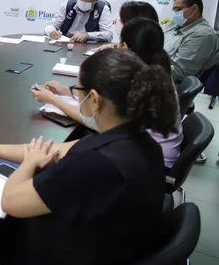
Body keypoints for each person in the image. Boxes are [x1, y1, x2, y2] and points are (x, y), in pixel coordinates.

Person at [0, 49, 175, 265]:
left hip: (63, 261)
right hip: (108, 246)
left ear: (94, 100)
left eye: (77, 91)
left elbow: (11, 201)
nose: (76, 96)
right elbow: (54, 149)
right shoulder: (137, 140)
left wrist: (30, 164)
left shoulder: (96, 166)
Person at [31, 18, 182, 168]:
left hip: (147, 162)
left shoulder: (138, 81)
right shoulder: (156, 70)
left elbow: (97, 122)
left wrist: (53, 100)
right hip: (149, 152)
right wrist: (67, 92)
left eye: (119, 45)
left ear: (125, 47)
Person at [163, 0, 219, 84]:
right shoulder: (174, 24)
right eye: (174, 10)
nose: (175, 14)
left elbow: (180, 72)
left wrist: (145, 68)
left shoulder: (202, 35)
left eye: (178, 9)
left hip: (170, 84)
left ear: (194, 9)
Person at [44, 0, 113, 42]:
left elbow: (108, 35)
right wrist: (52, 32)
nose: (83, 2)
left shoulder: (102, 9)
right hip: (66, 44)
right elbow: (50, 25)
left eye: (88, 0)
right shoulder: (67, 5)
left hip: (89, 46)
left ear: (95, 1)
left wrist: (87, 35)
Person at [94, 1, 159, 52]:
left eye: (122, 19)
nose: (118, 21)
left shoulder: (130, 63)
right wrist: (116, 46)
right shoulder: (151, 50)